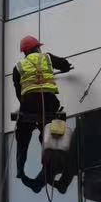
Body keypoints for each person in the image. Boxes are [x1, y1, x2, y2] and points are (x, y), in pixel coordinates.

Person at [13, 35, 74, 181]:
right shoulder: (47, 58)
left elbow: (18, 92)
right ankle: (49, 159)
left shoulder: (18, 67)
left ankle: (20, 168)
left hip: (28, 104)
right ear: (37, 48)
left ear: (25, 52)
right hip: (49, 102)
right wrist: (65, 68)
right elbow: (64, 64)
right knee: (48, 131)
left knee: (22, 136)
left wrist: (26, 105)